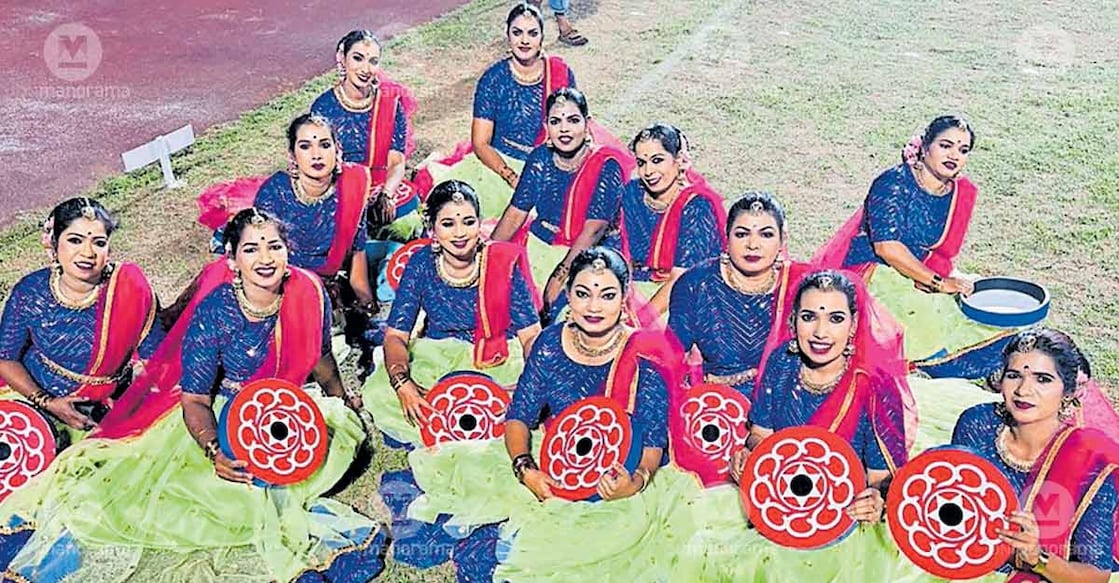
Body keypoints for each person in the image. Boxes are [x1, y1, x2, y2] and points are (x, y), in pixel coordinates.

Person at [0, 209, 385, 582]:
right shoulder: (215, 312)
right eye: (251, 249)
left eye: (274, 247)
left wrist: (341, 399)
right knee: (220, 499)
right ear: (231, 260)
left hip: (281, 412)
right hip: (218, 417)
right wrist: (213, 449)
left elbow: (320, 356)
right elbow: (195, 399)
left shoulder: (306, 292)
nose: (265, 259)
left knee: (326, 455)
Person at [394, 248, 696, 583]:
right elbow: (519, 416)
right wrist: (526, 470)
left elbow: (654, 441)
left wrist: (635, 482)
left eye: (607, 295)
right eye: (583, 294)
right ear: (568, 295)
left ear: (625, 299)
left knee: (614, 539)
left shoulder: (644, 354)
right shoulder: (550, 344)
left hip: (620, 470)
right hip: (553, 454)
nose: (594, 307)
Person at [662, 270, 916, 583]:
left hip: (838, 517)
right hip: (774, 499)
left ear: (853, 324)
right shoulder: (782, 361)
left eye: (836, 319)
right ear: (793, 319)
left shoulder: (876, 387)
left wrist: (877, 499)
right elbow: (761, 435)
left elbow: (881, 480)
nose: (820, 332)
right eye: (809, 316)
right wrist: (748, 454)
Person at [814, 115, 1011, 379]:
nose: (954, 155)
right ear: (925, 146)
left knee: (984, 313)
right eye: (945, 145)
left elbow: (941, 254)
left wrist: (941, 280)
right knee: (924, 329)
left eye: (963, 150)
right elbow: (887, 247)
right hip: (876, 274)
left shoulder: (958, 192)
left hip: (920, 272)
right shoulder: (894, 182)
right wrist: (938, 283)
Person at [362, 180, 542, 448]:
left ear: (479, 224)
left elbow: (530, 337)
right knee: (387, 394)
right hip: (437, 359)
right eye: (448, 224)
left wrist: (530, 387)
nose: (460, 233)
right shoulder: (422, 263)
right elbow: (396, 336)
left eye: (468, 222)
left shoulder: (500, 264)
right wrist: (403, 383)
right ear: (432, 228)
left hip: (497, 358)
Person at [193, 114, 379, 369]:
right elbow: (263, 264)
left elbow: (357, 263)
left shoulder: (353, 189)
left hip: (325, 293)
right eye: (305, 146)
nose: (316, 155)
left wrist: (367, 306)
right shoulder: (276, 192)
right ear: (292, 155)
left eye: (324, 145)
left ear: (338, 150)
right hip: (277, 288)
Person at [944, 328, 1119, 582]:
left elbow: (1095, 576)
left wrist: (1038, 558)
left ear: (1068, 392)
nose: (1023, 390)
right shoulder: (977, 424)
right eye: (1014, 375)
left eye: (1043, 379)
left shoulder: (1090, 463)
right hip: (963, 566)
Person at [666, 193, 808, 485]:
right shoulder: (696, 284)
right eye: (742, 234)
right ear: (726, 237)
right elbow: (670, 357)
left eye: (766, 234)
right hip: (720, 410)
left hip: (787, 405)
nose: (753, 245)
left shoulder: (799, 287)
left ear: (783, 239)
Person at [0, 197, 163, 440]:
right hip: (40, 405)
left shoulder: (128, 289)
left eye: (99, 243)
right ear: (54, 244)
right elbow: (5, 358)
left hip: (111, 407)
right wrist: (48, 402)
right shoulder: (30, 291)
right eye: (75, 240)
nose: (87, 253)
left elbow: (158, 359)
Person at [413, 3, 577, 218]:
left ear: (542, 37)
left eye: (532, 33)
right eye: (517, 33)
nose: (525, 40)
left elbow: (575, 127)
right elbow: (480, 143)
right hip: (500, 166)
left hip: (551, 163)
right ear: (508, 35)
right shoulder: (493, 79)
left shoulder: (559, 73)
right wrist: (512, 178)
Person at [490, 87, 631, 320]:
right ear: (546, 126)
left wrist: (560, 277)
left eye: (573, 120)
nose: (564, 129)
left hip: (587, 257)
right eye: (556, 121)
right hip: (537, 248)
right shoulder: (540, 157)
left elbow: (593, 231)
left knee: (566, 316)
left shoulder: (607, 166)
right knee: (497, 305)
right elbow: (515, 214)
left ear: (587, 124)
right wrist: (486, 258)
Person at [311, 29, 421, 316]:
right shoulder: (323, 108)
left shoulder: (389, 104)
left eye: (372, 61)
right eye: (358, 58)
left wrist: (385, 194)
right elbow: (320, 167)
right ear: (341, 59)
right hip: (340, 186)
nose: (365, 68)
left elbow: (397, 162)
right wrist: (355, 196)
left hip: (383, 182)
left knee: (409, 219)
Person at [622, 123, 725, 314]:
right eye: (642, 163)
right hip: (638, 286)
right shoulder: (633, 193)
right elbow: (625, 253)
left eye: (657, 160)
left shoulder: (697, 206)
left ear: (679, 160)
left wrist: (638, 323)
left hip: (687, 298)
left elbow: (681, 279)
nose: (648, 172)